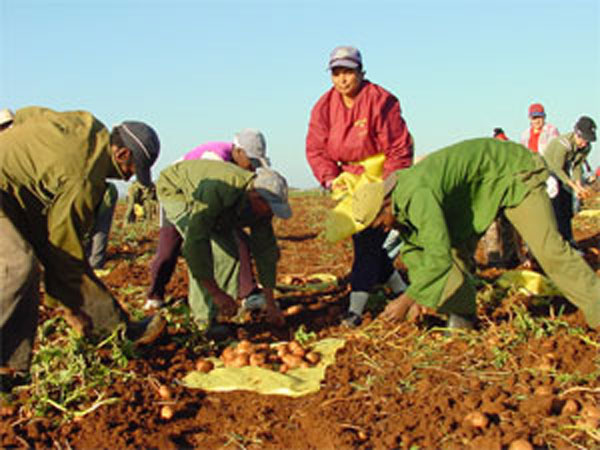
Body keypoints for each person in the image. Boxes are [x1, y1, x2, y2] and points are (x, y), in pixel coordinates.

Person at [0, 106, 166, 389]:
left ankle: (8, 369)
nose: (128, 177)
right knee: (19, 266)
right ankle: (113, 330)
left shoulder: (87, 124)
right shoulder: (85, 176)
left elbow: (27, 115)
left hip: (13, 194)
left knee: (30, 264)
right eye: (131, 168)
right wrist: (71, 308)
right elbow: (64, 250)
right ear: (122, 154)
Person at [365, 138, 600, 331]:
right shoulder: (400, 206)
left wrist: (408, 299)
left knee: (549, 249)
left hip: (515, 173)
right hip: (483, 191)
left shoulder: (417, 194)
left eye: (379, 223)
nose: (383, 229)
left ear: (386, 203)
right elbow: (416, 251)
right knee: (454, 253)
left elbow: (438, 255)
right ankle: (463, 320)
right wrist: (421, 297)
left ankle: (597, 308)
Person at [306, 45, 414, 328]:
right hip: (349, 180)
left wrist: (388, 191)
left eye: (348, 72)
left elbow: (399, 149)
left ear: (360, 72)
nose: (342, 79)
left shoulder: (381, 100)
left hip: (380, 177)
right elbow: (316, 149)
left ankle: (356, 310)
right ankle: (401, 289)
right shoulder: (324, 107)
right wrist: (330, 178)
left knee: (366, 240)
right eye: (336, 73)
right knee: (367, 240)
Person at [155, 160, 292, 338]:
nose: (271, 213)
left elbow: (265, 253)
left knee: (230, 254)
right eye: (270, 207)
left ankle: (220, 312)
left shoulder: (261, 210)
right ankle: (202, 323)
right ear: (255, 195)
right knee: (208, 251)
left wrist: (271, 305)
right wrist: (215, 292)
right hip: (177, 190)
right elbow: (195, 245)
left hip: (217, 206)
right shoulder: (221, 190)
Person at [145, 129, 271, 309]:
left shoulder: (236, 170)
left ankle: (246, 292)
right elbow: (201, 225)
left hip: (206, 200)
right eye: (251, 161)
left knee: (236, 241)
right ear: (238, 151)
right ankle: (155, 294)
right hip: (176, 193)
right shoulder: (214, 159)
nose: (252, 167)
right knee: (169, 250)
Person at [542, 116, 597, 249]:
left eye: (588, 140)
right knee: (556, 206)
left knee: (567, 206)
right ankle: (555, 241)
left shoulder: (585, 148)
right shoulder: (563, 144)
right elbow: (556, 168)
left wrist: (578, 185)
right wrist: (572, 185)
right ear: (577, 134)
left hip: (563, 172)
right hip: (548, 172)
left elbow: (577, 166)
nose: (585, 143)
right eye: (583, 139)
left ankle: (569, 239)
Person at [85, 182, 118, 269]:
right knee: (100, 228)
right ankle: (91, 262)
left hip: (101, 193)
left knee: (100, 228)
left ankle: (94, 264)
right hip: (104, 190)